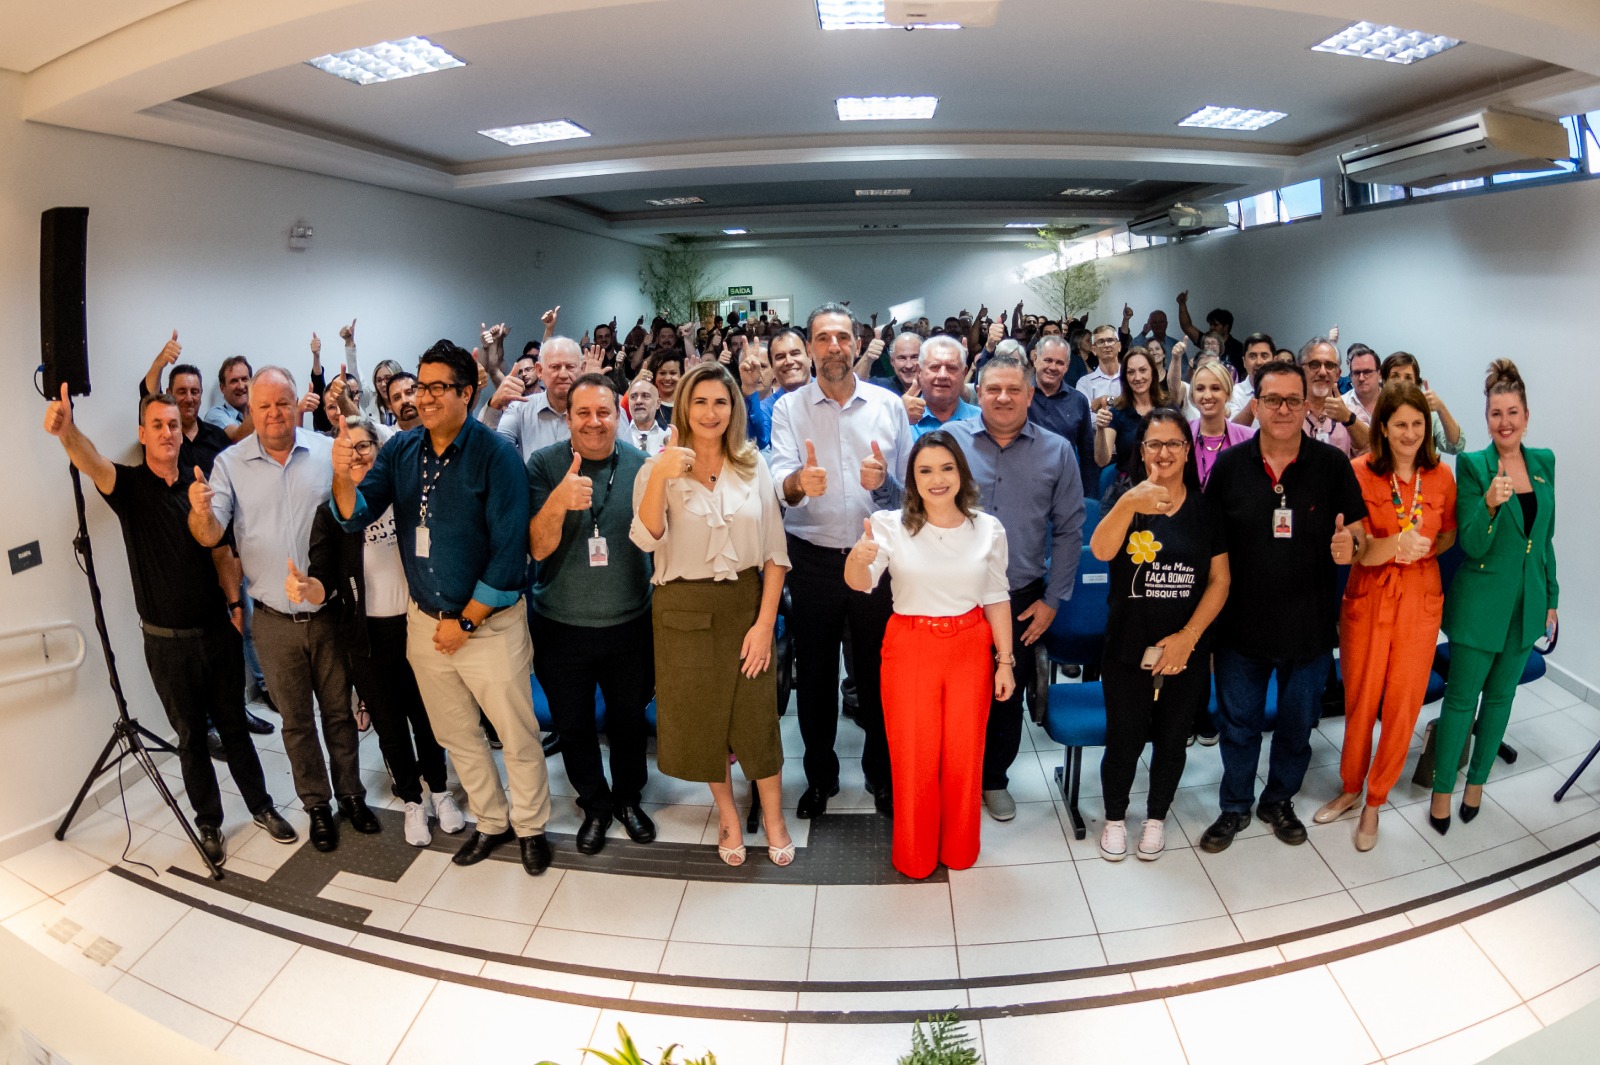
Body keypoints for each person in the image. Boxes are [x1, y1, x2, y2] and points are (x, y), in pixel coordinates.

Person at [44, 386, 296, 865]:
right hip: (165, 645)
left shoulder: (201, 486)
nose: (166, 432)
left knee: (236, 727)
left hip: (216, 634)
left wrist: (234, 606)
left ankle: (262, 808)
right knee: (191, 738)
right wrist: (66, 430)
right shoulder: (129, 487)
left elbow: (222, 551)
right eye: (157, 425)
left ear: (183, 433)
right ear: (142, 434)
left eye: (173, 425)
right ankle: (209, 823)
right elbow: (91, 459)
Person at [332, 340, 555, 875]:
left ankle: (530, 827)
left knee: (517, 734)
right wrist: (343, 475)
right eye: (419, 387)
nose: (425, 398)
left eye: (437, 388)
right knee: (456, 733)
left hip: (488, 625)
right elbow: (357, 515)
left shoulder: (496, 453)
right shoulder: (401, 451)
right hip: (424, 624)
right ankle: (492, 821)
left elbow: (508, 555)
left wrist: (465, 622)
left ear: (467, 389)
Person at [187, 366, 372, 852]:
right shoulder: (228, 465)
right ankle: (317, 805)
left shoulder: (322, 456)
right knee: (296, 722)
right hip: (272, 621)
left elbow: (349, 520)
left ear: (297, 404)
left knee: (338, 713)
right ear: (251, 410)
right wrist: (201, 511)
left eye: (283, 403)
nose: (274, 413)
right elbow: (210, 536)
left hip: (328, 612)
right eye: (263, 405)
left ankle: (352, 794)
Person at [630, 362, 794, 866]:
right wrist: (661, 472)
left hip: (744, 605)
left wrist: (764, 625)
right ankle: (725, 814)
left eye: (720, 402)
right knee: (703, 722)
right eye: (699, 401)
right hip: (682, 608)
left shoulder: (753, 464)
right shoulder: (654, 467)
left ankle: (773, 816)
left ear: (733, 409)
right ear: (682, 406)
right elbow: (645, 537)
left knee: (755, 717)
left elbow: (774, 554)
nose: (710, 411)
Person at [1199, 361, 1367, 852]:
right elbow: (1212, 548)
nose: (1283, 409)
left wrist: (1350, 546)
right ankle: (1234, 807)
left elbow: (1357, 530)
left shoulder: (1331, 465)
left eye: (1294, 400)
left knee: (1296, 727)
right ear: (1256, 403)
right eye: (1272, 400)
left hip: (1309, 628)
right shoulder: (1230, 467)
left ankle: (1278, 800)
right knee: (1239, 726)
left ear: (1308, 403)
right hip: (1240, 628)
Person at [845, 430, 1013, 879]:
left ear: (960, 472)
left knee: (964, 753)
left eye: (946, 468)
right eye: (925, 471)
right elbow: (860, 584)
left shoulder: (988, 529)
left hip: (970, 645)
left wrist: (1005, 660)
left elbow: (997, 595)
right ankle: (915, 854)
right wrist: (858, 558)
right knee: (914, 755)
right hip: (911, 645)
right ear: (912, 478)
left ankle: (960, 845)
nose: (937, 479)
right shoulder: (889, 525)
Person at [769, 304, 912, 820]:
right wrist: (797, 485)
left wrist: (885, 487)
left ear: (857, 343)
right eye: (823, 337)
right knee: (817, 677)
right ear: (809, 347)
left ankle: (881, 773)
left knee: (877, 676)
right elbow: (780, 485)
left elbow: (908, 493)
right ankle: (820, 777)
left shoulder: (888, 406)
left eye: (842, 337)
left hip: (876, 559)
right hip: (812, 562)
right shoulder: (788, 409)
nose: (833, 346)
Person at [296, 416, 462, 848]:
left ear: (379, 449)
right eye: (347, 448)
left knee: (426, 719)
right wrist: (311, 588)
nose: (357, 454)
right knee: (389, 724)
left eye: (364, 445)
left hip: (417, 628)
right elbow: (323, 578)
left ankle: (441, 793)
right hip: (367, 638)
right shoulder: (331, 514)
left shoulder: (404, 498)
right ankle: (412, 800)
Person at [1313, 382, 1457, 850]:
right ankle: (1351, 787)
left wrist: (1427, 547)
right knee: (1361, 699)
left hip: (1419, 599)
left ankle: (1375, 800)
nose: (1410, 433)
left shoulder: (1442, 478)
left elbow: (1449, 535)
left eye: (1418, 424)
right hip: (1370, 594)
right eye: (1401, 424)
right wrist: (1395, 546)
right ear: (1384, 427)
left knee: (1403, 704)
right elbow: (1357, 547)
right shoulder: (1358, 473)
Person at [944, 354, 1084, 821]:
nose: (1002, 398)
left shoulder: (1058, 451)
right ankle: (953, 775)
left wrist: (1052, 601)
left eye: (1012, 390)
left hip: (1021, 594)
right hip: (953, 595)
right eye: (992, 390)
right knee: (955, 693)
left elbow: (1068, 531)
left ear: (1028, 394)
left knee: (1007, 693)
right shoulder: (950, 445)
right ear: (976, 393)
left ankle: (993, 779)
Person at [1090, 410, 1230, 861]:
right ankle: (1115, 818)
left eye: (1174, 444)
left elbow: (1220, 580)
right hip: (1128, 643)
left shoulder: (1207, 509)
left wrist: (1190, 636)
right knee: (1124, 738)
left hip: (1184, 647)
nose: (1164, 453)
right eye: (1154, 444)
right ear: (1141, 450)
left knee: (1173, 738)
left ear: (1188, 451)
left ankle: (1155, 818)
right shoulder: (1124, 498)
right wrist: (1131, 502)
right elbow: (1101, 550)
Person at [528, 374, 658, 855]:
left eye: (604, 412)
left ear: (619, 414)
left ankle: (627, 798)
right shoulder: (543, 465)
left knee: (628, 721)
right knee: (574, 724)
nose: (594, 422)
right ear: (567, 418)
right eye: (583, 413)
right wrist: (560, 501)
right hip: (561, 625)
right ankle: (595, 804)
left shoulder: (643, 467)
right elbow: (537, 547)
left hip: (629, 622)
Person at [1429, 360, 1557, 833]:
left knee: (1501, 699)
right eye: (1495, 414)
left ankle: (1477, 782)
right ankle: (1444, 789)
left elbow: (1544, 542)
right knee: (1462, 700)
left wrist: (1552, 598)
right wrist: (1488, 504)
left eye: (1513, 412)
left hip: (1527, 606)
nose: (1504, 422)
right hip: (1480, 607)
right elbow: (1472, 542)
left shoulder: (1543, 462)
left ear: (1526, 415)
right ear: (1486, 419)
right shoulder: (1474, 465)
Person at [484, 337, 580, 462]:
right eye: (555, 367)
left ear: (582, 369)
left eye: (570, 367)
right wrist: (495, 404)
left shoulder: (595, 413)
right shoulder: (519, 409)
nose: (563, 375)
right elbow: (493, 451)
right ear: (540, 371)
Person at [1026, 335, 1097, 492]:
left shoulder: (1078, 401)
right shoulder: (1020, 395)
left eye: (1059, 363)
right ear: (1036, 359)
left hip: (1064, 487)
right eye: (1048, 360)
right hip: (1023, 484)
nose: (1053, 367)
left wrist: (1089, 494)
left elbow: (1087, 453)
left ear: (1067, 366)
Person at [1094, 347, 1170, 477]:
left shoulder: (1169, 409)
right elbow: (1102, 461)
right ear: (1125, 377)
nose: (1137, 377)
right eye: (1131, 372)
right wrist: (1100, 429)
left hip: (1165, 482)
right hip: (1129, 488)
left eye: (1143, 370)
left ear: (1153, 372)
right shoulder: (1117, 412)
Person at [1380, 352, 1467, 456]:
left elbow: (1455, 446)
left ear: (1417, 384)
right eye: (1395, 377)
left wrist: (1441, 408)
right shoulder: (1379, 413)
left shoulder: (1430, 416)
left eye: (1408, 378)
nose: (1402, 383)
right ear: (1384, 382)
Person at [1188, 358, 1254, 488]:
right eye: (1200, 389)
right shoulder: (1181, 434)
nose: (1207, 395)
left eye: (1215, 388)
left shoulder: (1250, 438)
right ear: (1193, 395)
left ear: (1227, 393)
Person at [1299, 337, 1367, 456]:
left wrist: (1347, 418)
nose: (1322, 372)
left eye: (1329, 365)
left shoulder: (1352, 411)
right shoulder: (1289, 411)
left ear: (1338, 374)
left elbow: (1370, 447)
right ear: (1300, 371)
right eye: (1314, 364)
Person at [903, 335, 980, 438]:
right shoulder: (900, 420)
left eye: (951, 368)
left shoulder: (983, 421)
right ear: (919, 371)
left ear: (964, 373)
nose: (942, 375)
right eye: (934, 367)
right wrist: (899, 417)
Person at [203, 355, 256, 442]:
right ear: (222, 388)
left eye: (244, 379)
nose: (241, 386)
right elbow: (238, 437)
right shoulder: (215, 415)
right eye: (234, 381)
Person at [1076, 325, 1123, 407]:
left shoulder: (1131, 375)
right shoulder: (1084, 383)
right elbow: (1086, 415)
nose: (1106, 345)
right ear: (1093, 350)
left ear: (1119, 346)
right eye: (1101, 342)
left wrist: (1106, 400)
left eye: (1110, 340)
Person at [623, 377, 669, 455]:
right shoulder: (619, 436)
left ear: (658, 403)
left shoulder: (669, 435)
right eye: (633, 397)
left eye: (645, 396)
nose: (638, 401)